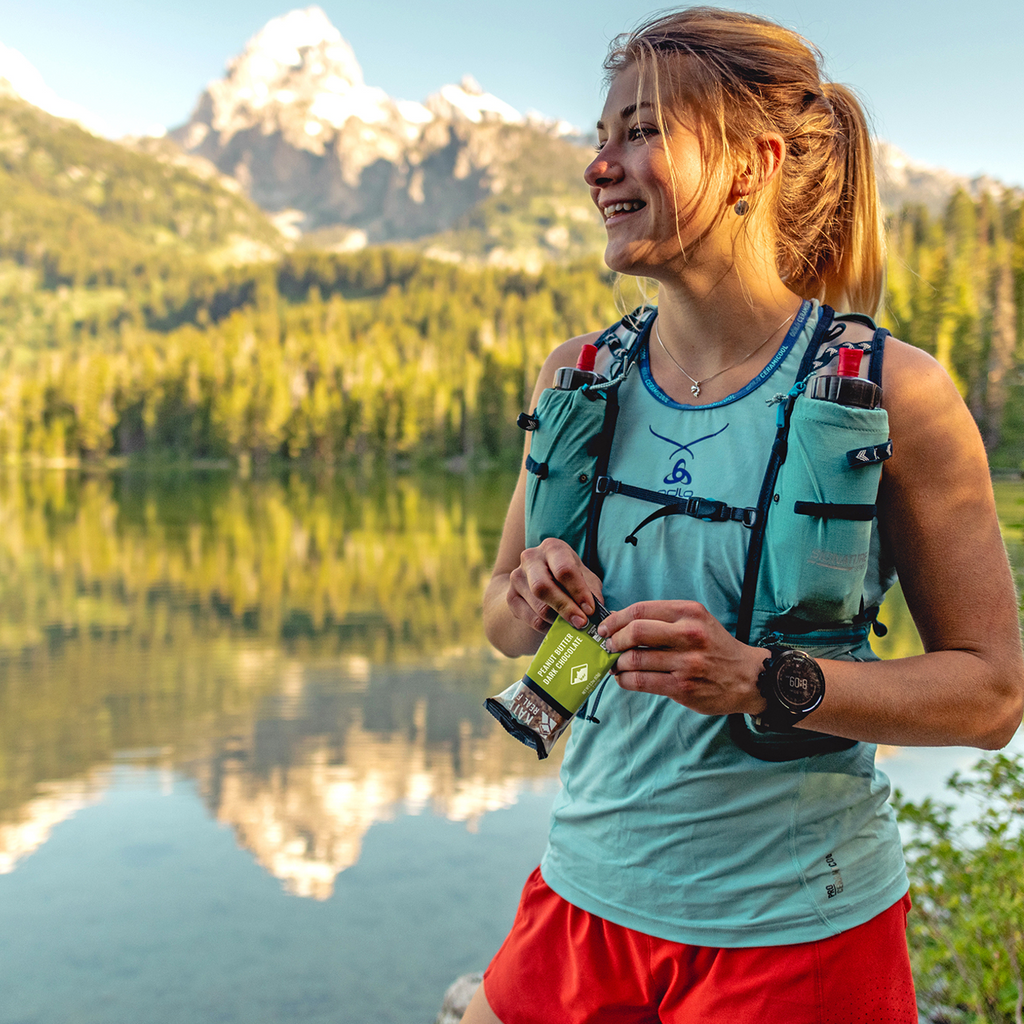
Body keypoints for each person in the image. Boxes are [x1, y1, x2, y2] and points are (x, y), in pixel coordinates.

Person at [465, 7, 1024, 1024]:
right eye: (601, 136)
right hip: (579, 897)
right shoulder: (577, 375)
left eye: (639, 132)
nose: (600, 166)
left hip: (796, 931)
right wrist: (531, 586)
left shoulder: (894, 392)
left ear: (747, 165)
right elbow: (501, 620)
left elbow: (988, 699)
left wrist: (763, 678)